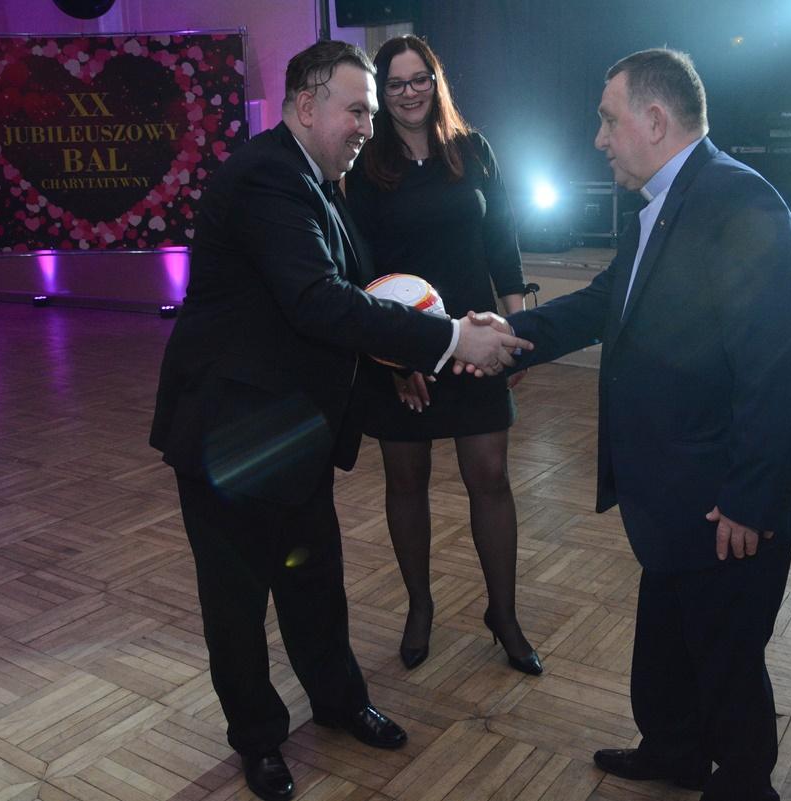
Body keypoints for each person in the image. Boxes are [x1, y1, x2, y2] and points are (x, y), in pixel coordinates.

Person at [149, 40, 531, 801]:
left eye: (370, 112)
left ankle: (338, 701)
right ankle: (259, 739)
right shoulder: (266, 177)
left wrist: (414, 348)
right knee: (236, 604)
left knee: (315, 581)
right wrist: (451, 338)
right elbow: (318, 302)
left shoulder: (320, 182)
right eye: (357, 110)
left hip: (295, 430)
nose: (368, 125)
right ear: (305, 105)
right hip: (230, 434)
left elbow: (368, 293)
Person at [465, 49, 791, 801]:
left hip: (729, 492)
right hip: (678, 483)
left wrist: (749, 499)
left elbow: (777, 367)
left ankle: (743, 783)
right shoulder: (663, 202)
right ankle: (674, 750)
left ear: (656, 120)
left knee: (726, 653)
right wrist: (510, 334)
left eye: (609, 120)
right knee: (669, 629)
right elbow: (608, 301)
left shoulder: (742, 202)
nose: (598, 138)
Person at [344, 35, 540, 675]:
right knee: (407, 483)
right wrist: (393, 361)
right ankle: (420, 607)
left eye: (419, 78)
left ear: (436, 80)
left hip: (478, 340)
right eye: (395, 83)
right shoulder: (365, 166)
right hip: (404, 351)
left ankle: (503, 615)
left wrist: (516, 333)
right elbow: (360, 269)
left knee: (491, 478)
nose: (410, 92)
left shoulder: (472, 148)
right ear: (382, 93)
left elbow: (502, 240)